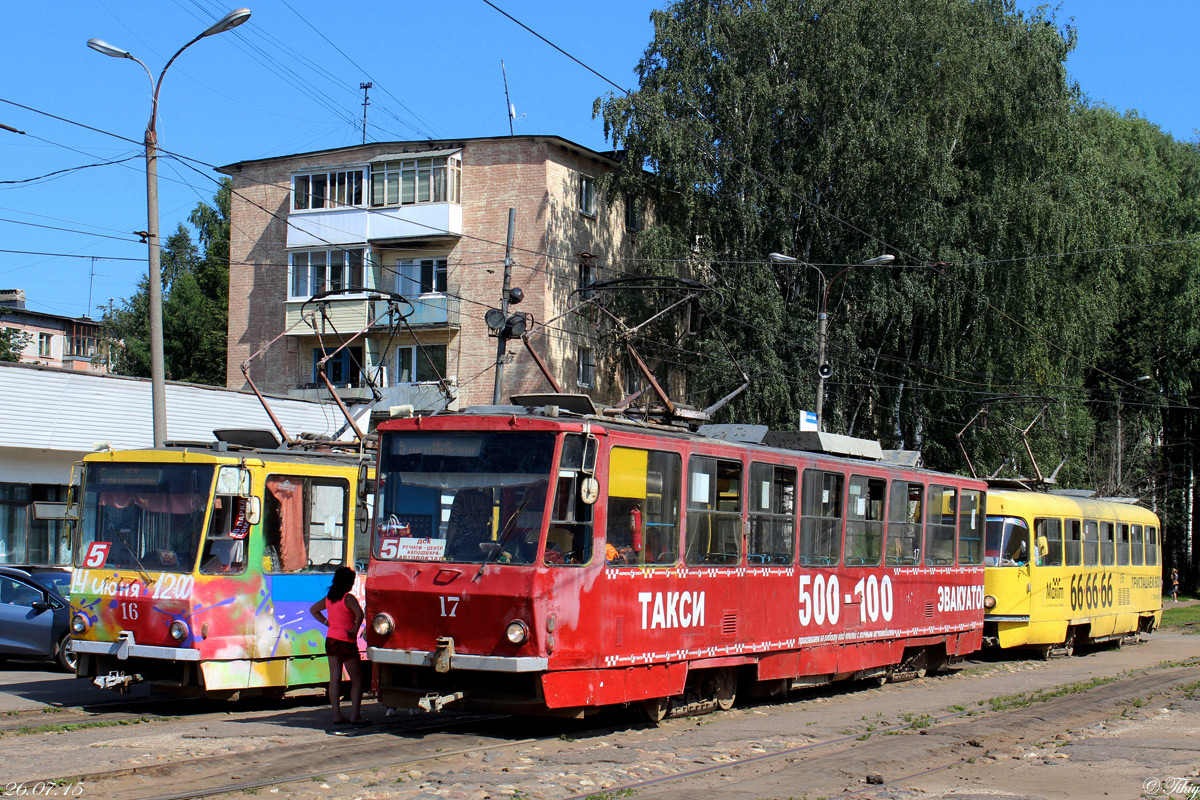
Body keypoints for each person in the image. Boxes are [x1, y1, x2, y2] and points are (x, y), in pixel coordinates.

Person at [309, 566, 367, 725]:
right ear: (347, 582)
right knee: (357, 680)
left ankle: (336, 715)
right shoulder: (348, 598)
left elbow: (313, 610)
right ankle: (355, 716)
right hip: (346, 642)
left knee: (334, 679)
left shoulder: (329, 598)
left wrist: (327, 623)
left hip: (331, 641)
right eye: (352, 581)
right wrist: (355, 629)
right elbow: (360, 613)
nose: (353, 584)